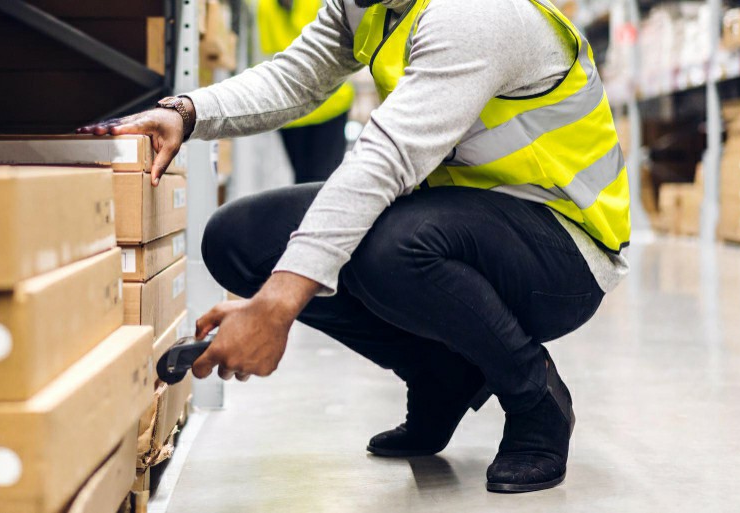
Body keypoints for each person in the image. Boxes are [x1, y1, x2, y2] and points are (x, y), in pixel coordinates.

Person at [79, 0, 631, 493]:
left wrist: (275, 306)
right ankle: (439, 376)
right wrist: (185, 112)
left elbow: (384, 160)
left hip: (562, 250)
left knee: (391, 247)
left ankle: (537, 400)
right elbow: (295, 78)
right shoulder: (366, 6)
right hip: (459, 218)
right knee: (240, 240)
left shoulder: (475, 14)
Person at [258, 0, 355, 183]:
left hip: (327, 105)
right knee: (308, 182)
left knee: (316, 182)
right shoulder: (263, 6)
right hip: (291, 109)